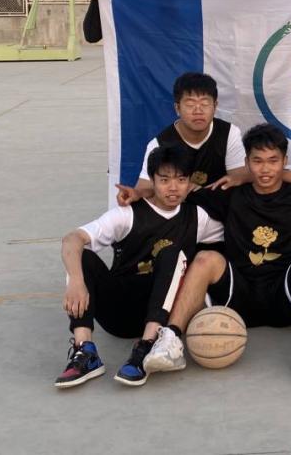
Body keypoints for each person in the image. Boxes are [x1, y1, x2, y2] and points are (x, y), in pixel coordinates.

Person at [142, 124, 291, 383]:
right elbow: (177, 195)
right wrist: (138, 194)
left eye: (273, 161)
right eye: (257, 161)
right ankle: (170, 340)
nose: (265, 169)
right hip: (237, 296)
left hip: (285, 298)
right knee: (206, 259)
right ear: (246, 163)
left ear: (285, 161)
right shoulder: (229, 194)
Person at [54, 145, 224, 388]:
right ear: (152, 181)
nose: (173, 187)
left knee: (173, 253)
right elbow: (72, 239)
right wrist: (76, 281)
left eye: (181, 180)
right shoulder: (127, 215)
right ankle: (85, 352)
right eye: (164, 180)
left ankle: (146, 346)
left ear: (190, 184)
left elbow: (234, 237)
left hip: (164, 315)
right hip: (119, 311)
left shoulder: (198, 216)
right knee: (82, 258)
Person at [119, 72, 246, 206]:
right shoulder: (159, 144)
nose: (198, 111)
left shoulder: (229, 133)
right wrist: (136, 193)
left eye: (205, 103)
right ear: (177, 108)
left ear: (215, 106)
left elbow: (240, 176)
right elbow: (146, 187)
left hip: (218, 208)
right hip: (179, 211)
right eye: (190, 104)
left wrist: (235, 180)